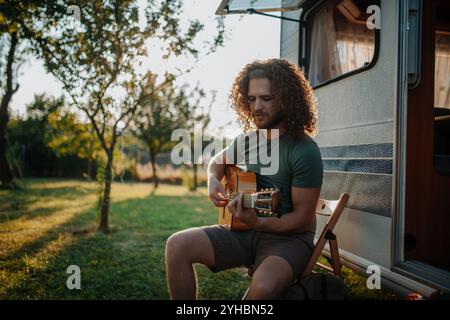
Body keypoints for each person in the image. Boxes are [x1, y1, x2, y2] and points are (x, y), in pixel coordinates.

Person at [165, 58, 323, 300]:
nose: (256, 106)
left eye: (266, 98)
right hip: (244, 230)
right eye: (251, 99)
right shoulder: (248, 141)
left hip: (288, 241)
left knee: (263, 288)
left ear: (287, 98)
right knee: (177, 245)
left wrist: (258, 223)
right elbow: (217, 162)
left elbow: (301, 220)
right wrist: (212, 180)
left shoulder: (304, 150)